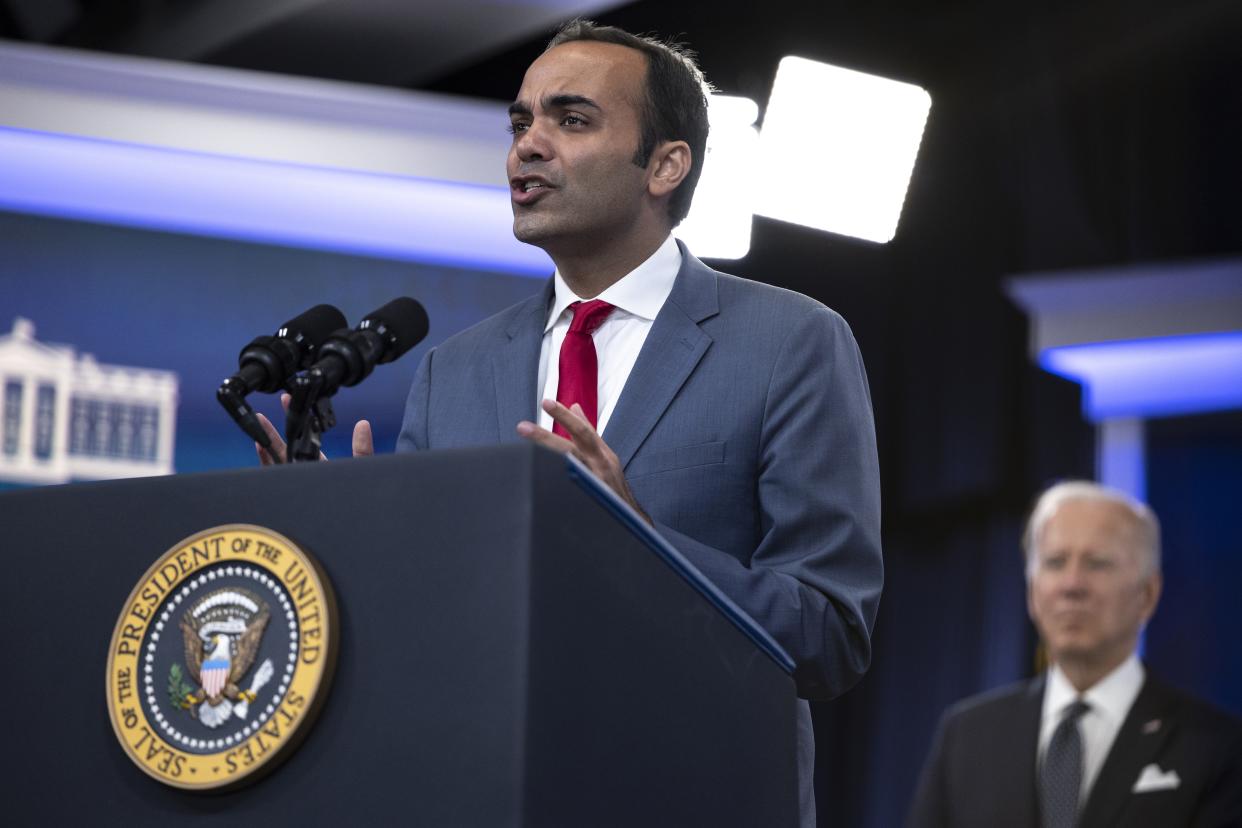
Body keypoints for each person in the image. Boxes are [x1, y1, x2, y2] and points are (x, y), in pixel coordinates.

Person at [260, 19, 883, 823]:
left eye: (572, 119)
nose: (528, 145)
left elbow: (831, 636)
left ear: (665, 164)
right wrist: (346, 541)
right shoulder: (454, 370)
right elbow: (420, 638)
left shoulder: (790, 343)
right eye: (521, 122)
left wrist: (640, 541)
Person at [906, 481, 1242, 828]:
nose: (1072, 585)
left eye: (1097, 563)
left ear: (1148, 594)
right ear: (1032, 591)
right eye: (1055, 562)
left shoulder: (1215, 747)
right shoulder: (966, 735)